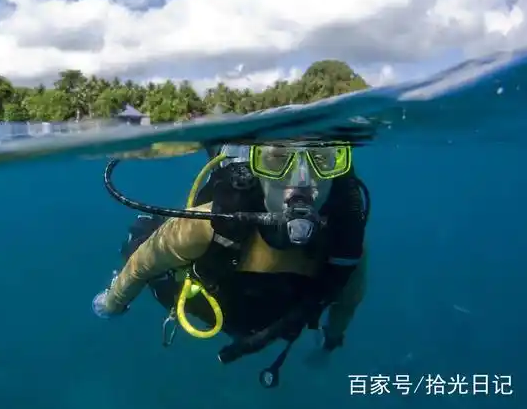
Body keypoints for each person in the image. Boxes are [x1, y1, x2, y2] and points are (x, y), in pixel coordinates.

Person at [92, 141, 370, 388]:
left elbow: (347, 299)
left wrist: (331, 341)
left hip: (276, 319)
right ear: (255, 169)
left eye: (322, 160)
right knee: (137, 246)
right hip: (202, 300)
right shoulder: (206, 225)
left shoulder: (343, 244)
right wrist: (114, 301)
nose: (301, 182)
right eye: (277, 159)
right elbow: (144, 262)